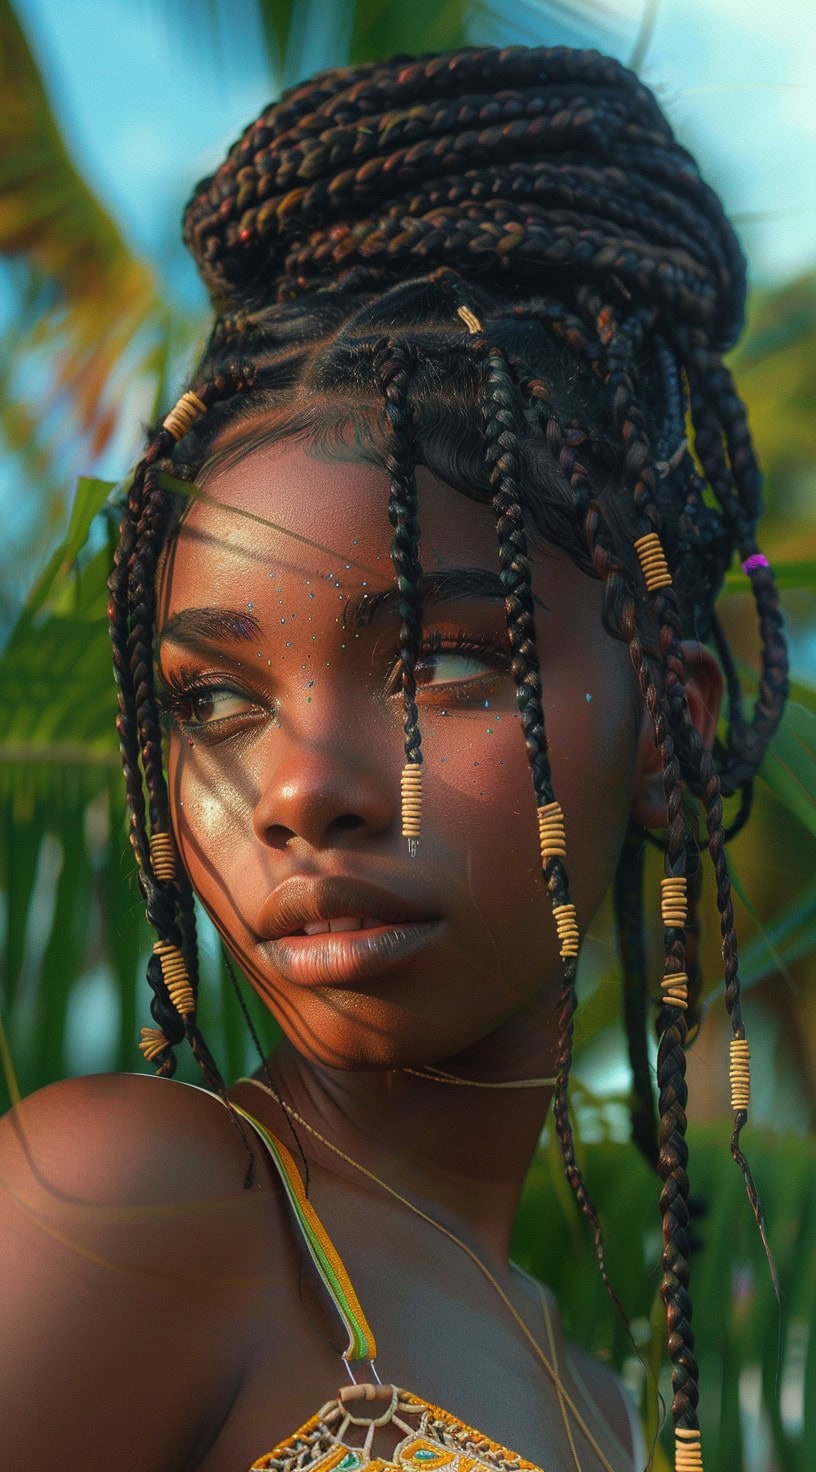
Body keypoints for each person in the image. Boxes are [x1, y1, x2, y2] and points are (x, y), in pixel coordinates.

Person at [0, 43, 788, 1472]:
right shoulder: (136, 1207)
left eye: (447, 667)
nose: (301, 794)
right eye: (216, 702)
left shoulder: (601, 1401)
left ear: (677, 720)